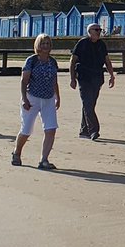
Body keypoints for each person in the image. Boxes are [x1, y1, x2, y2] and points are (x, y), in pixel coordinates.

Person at [13, 33, 62, 170]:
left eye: (47, 43)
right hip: (32, 97)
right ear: (38, 45)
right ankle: (17, 153)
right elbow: (24, 81)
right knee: (26, 129)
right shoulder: (31, 60)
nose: (45, 46)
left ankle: (44, 160)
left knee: (51, 129)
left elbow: (54, 80)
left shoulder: (52, 62)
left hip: (48, 99)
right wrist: (24, 99)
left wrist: (58, 96)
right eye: (43, 43)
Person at [69, 23, 116, 140]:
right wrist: (72, 78)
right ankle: (94, 130)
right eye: (96, 30)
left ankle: (84, 130)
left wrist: (111, 75)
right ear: (89, 31)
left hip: (97, 78)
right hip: (84, 77)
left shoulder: (101, 45)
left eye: (100, 30)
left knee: (90, 104)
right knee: (87, 104)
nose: (99, 32)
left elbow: (107, 60)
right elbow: (72, 61)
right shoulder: (82, 43)